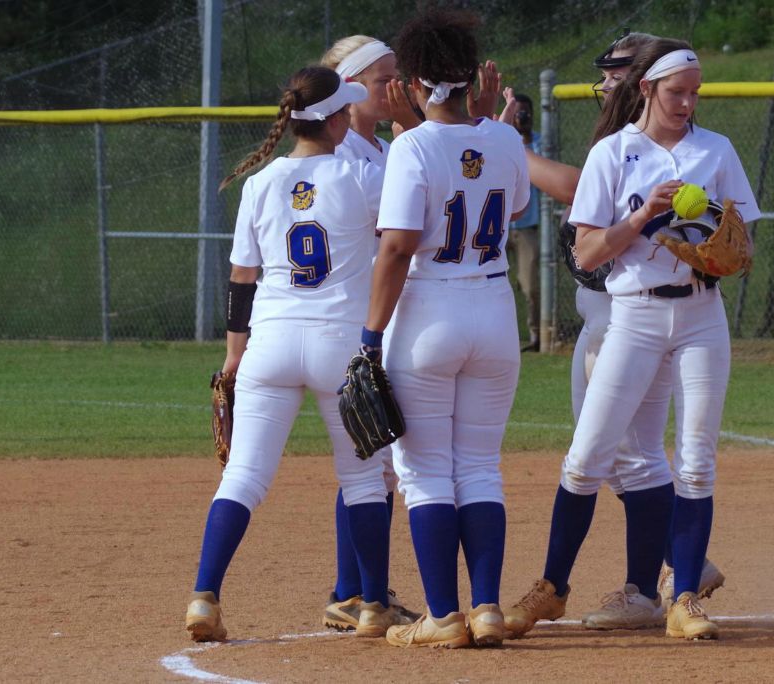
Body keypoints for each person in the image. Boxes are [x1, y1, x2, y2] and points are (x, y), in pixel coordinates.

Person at [505, 38, 760, 641]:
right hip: (634, 316)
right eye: (676, 92)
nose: (687, 103)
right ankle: (551, 588)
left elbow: (743, 243)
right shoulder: (612, 154)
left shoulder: (715, 150)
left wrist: (719, 251)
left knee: (696, 463)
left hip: (701, 316)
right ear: (646, 89)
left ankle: (684, 598)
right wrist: (644, 217)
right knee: (587, 457)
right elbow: (589, 250)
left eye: (695, 93)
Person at [184, 66, 410, 642]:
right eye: (345, 111)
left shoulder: (259, 183)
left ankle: (205, 597)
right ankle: (372, 606)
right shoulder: (362, 176)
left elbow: (242, 278)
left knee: (244, 476)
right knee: (364, 479)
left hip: (270, 341)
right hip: (339, 344)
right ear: (335, 121)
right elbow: (405, 235)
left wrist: (233, 357)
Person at [358, 8, 530, 649]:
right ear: (471, 79)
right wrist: (485, 124)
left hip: (429, 311)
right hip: (494, 309)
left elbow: (398, 247)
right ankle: (487, 610)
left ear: (413, 82)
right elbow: (514, 206)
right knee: (480, 467)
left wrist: (370, 335)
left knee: (425, 472)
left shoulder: (410, 146)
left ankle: (443, 617)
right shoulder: (505, 139)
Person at [316, 33, 421, 634]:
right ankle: (353, 591)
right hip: (361, 319)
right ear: (351, 89)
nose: (395, 87)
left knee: (376, 461)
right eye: (383, 79)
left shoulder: (379, 147)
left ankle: (355, 589)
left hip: (391, 317)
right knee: (371, 459)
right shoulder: (344, 156)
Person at [503, 92, 542, 352]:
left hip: (527, 225)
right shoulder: (500, 138)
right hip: (500, 226)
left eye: (526, 112)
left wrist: (525, 140)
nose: (522, 116)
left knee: (530, 286)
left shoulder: (539, 142)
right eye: (517, 112)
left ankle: (537, 336)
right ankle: (502, 337)